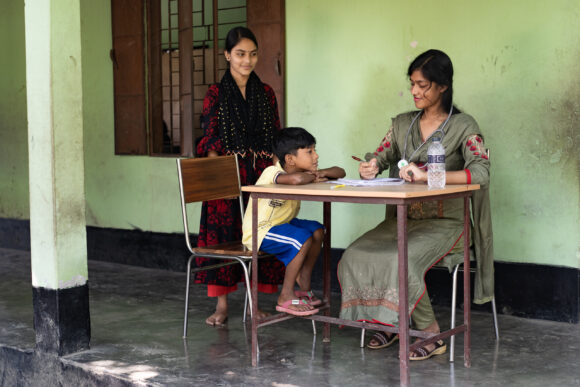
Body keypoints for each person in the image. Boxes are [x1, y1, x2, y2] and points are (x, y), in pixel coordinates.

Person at [338, 49, 494, 360]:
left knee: (400, 259)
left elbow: (481, 172)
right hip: (404, 219)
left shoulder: (463, 125)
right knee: (355, 254)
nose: (415, 91)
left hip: (447, 224)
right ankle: (387, 321)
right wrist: (368, 166)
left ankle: (431, 335)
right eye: (412, 84)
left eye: (423, 85)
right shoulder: (401, 125)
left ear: (442, 87)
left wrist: (430, 176)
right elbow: (379, 156)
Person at [195, 26, 285, 326]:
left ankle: (254, 304)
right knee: (225, 235)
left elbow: (275, 138)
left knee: (258, 236)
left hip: (259, 177)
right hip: (227, 175)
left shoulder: (267, 93)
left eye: (253, 54)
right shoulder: (216, 93)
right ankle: (221, 306)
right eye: (240, 54)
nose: (247, 61)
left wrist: (273, 174)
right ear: (227, 55)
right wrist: (223, 181)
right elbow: (209, 138)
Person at [242, 127, 346, 316]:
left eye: (314, 150)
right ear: (290, 159)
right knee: (302, 238)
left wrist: (318, 173)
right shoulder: (271, 172)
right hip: (259, 231)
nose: (316, 156)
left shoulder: (304, 172)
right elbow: (297, 179)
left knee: (317, 230)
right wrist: (313, 176)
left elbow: (341, 171)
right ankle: (286, 295)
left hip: (282, 225)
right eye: (309, 151)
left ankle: (304, 283)